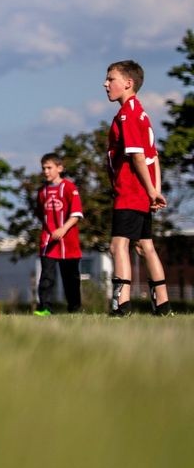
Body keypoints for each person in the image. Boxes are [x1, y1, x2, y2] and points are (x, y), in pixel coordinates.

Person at [103, 60, 170, 316]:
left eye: (111, 79)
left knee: (118, 246)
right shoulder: (140, 111)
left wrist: (152, 191)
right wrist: (154, 189)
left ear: (128, 83)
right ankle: (163, 306)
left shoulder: (127, 114)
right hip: (142, 192)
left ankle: (121, 305)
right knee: (144, 246)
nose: (105, 84)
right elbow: (155, 157)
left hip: (130, 192)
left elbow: (139, 156)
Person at [33, 153, 84, 315]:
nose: (46, 171)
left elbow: (76, 214)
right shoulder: (42, 192)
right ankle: (45, 307)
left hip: (68, 242)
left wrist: (63, 229)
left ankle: (75, 309)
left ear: (59, 168)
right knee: (47, 276)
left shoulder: (70, 188)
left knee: (71, 279)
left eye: (49, 168)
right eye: (44, 168)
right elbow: (41, 213)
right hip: (48, 241)